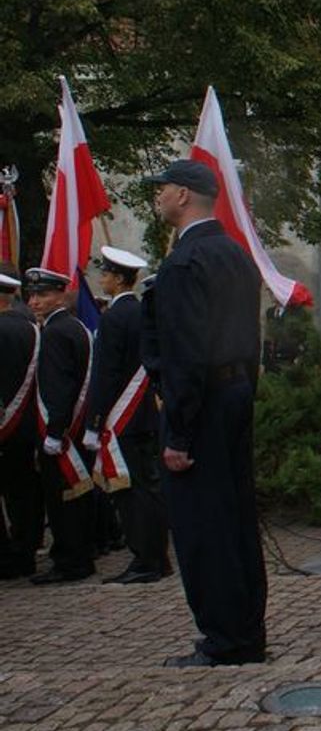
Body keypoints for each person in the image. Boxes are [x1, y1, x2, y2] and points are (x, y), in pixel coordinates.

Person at [145, 159, 265, 667]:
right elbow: (251, 339)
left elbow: (185, 355)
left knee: (203, 528)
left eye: (163, 188)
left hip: (202, 404)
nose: (157, 197)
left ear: (184, 195)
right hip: (234, 392)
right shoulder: (235, 254)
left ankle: (224, 639)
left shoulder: (183, 264)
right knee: (236, 521)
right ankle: (246, 631)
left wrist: (178, 434)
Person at [82, 246, 169, 584]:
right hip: (145, 414)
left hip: (123, 418)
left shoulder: (114, 317)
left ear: (118, 279)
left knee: (131, 494)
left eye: (105, 274)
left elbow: (105, 375)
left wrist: (94, 421)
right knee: (149, 488)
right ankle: (157, 556)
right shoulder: (142, 311)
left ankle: (145, 560)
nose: (101, 279)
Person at [24, 267, 96, 584]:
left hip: (62, 431)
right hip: (76, 427)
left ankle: (70, 561)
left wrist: (54, 433)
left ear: (60, 295)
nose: (34, 301)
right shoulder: (74, 326)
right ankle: (81, 553)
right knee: (77, 497)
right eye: (32, 295)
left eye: (43, 294)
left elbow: (59, 387)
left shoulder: (55, 332)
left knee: (62, 499)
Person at [0, 269, 43, 579]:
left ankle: (7, 555)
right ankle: (27, 549)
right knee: (26, 490)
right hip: (29, 422)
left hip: (5, 422)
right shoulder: (32, 326)